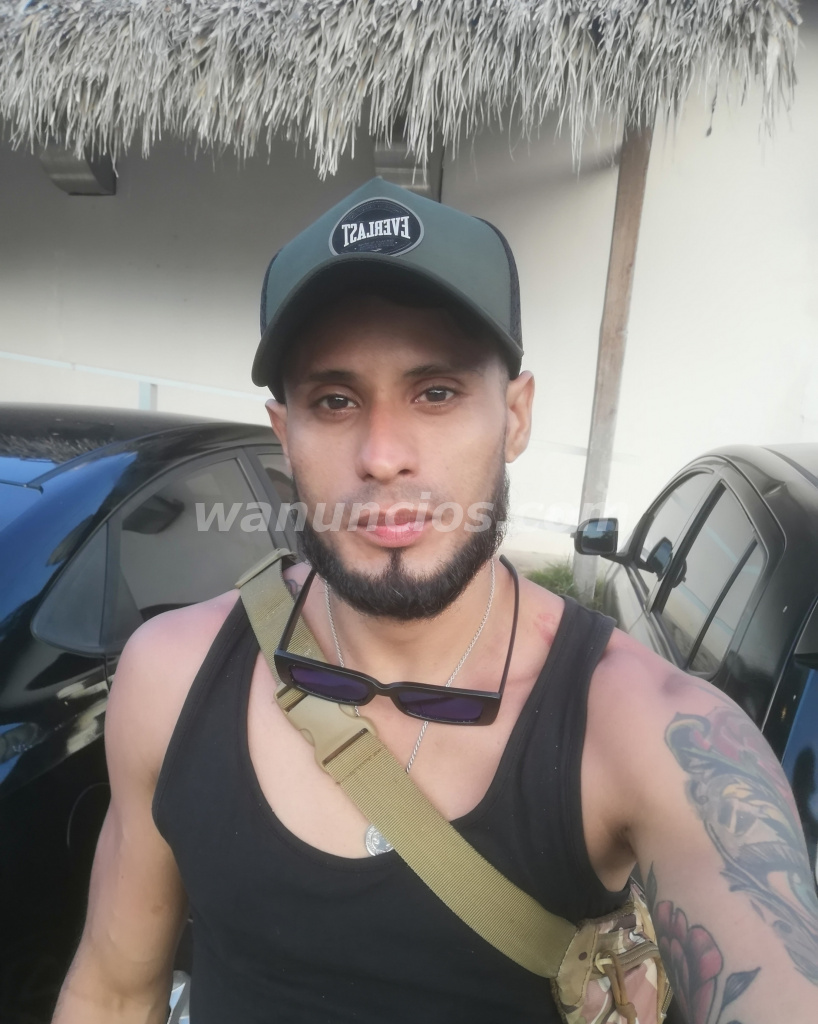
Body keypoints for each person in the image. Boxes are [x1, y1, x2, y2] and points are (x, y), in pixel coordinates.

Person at [53, 178, 818, 1024]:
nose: (383, 455)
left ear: (515, 417)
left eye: (437, 392)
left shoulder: (651, 733)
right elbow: (113, 990)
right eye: (334, 401)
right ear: (285, 435)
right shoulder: (170, 680)